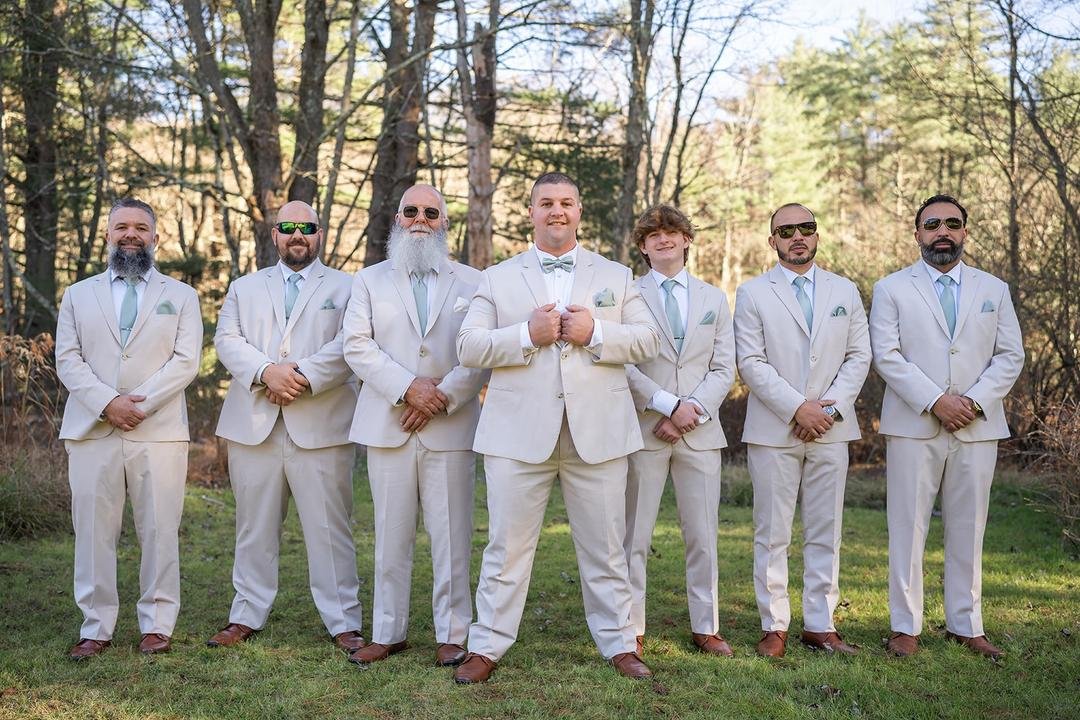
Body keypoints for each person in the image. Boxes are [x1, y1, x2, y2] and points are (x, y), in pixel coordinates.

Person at [452, 172, 661, 683]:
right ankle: (487, 645)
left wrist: (596, 332)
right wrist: (527, 334)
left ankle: (619, 643)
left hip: (599, 432)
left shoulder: (616, 275)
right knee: (505, 548)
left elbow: (648, 339)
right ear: (531, 212)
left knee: (607, 547)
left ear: (579, 210)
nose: (557, 211)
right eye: (546, 202)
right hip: (517, 435)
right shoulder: (496, 277)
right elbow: (468, 346)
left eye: (566, 202)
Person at [870, 194, 1024, 660]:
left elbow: (1010, 355)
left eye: (952, 224)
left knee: (969, 527)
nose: (943, 232)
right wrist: (936, 400)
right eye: (933, 224)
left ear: (964, 232)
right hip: (914, 424)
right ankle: (905, 626)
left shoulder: (993, 288)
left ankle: (966, 624)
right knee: (907, 526)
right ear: (918, 233)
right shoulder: (891, 288)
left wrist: (972, 402)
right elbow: (887, 355)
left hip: (977, 427)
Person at [208, 200, 364, 656]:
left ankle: (344, 620)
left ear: (320, 235)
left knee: (330, 528)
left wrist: (299, 376)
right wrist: (265, 373)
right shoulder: (244, 287)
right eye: (289, 227)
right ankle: (245, 614)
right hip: (254, 425)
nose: (299, 235)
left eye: (307, 228)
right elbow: (227, 340)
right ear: (274, 234)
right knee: (253, 527)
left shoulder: (349, 287)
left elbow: (350, 344)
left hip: (322, 424)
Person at [343, 184, 487, 668]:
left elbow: (480, 352)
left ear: (445, 222)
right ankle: (388, 631)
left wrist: (440, 396)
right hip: (390, 424)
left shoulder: (474, 281)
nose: (420, 219)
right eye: (411, 211)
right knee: (390, 534)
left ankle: (453, 633)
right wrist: (408, 388)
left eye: (430, 212)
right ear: (397, 219)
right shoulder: (368, 281)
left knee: (452, 536)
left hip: (451, 424)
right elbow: (357, 345)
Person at [56, 197, 203, 659]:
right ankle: (96, 625)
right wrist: (107, 403)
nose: (131, 235)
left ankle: (157, 623)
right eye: (122, 226)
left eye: (141, 227)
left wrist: (139, 404)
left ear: (155, 236)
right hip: (92, 429)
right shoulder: (77, 295)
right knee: (93, 533)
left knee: (159, 529)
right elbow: (68, 359)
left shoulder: (182, 296)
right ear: (108, 235)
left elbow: (186, 361)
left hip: (158, 430)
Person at [733, 203, 871, 658]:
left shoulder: (844, 290)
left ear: (816, 235)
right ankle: (774, 625)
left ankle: (820, 624)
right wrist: (797, 408)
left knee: (825, 529)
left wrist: (827, 410)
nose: (797, 236)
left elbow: (859, 355)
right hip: (775, 430)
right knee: (772, 531)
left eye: (806, 228)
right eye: (786, 230)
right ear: (772, 240)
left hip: (832, 428)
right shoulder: (753, 293)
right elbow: (750, 361)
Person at [622, 204, 736, 657]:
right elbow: (623, 363)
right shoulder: (628, 295)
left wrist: (693, 411)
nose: (663, 239)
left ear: (686, 239)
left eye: (671, 232)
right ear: (644, 247)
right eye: (653, 235)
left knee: (702, 534)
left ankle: (706, 626)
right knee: (634, 534)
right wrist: (667, 406)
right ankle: (630, 627)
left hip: (700, 432)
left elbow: (724, 366)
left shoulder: (714, 298)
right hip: (645, 427)